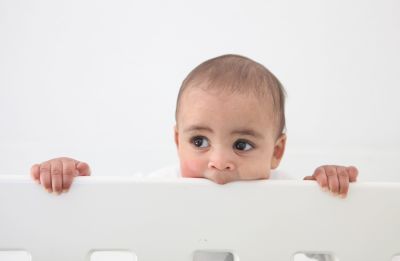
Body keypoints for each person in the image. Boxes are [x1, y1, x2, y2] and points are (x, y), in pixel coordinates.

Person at [30, 54, 358, 198]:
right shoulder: (156, 189)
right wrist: (71, 182)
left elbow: (327, 247)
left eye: (242, 144)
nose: (218, 161)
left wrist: (329, 191)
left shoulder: (292, 194)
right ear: (177, 141)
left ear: (277, 151)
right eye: (199, 141)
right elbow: (110, 213)